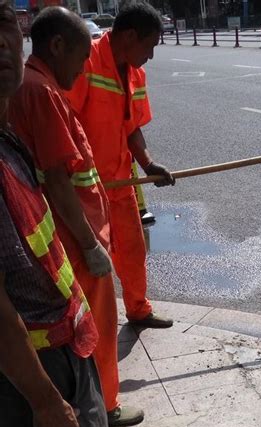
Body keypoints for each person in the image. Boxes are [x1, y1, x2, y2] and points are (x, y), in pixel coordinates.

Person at [0, 0, 176, 427]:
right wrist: (48, 397)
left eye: (7, 52)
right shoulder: (37, 102)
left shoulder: (14, 121)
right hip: (46, 357)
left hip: (46, 341)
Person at [9, 7, 143, 427]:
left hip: (71, 231)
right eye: (82, 56)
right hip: (75, 236)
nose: (86, 66)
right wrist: (89, 244)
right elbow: (60, 180)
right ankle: (104, 406)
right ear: (57, 46)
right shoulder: (42, 93)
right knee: (97, 323)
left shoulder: (35, 86)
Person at [68, 1, 175, 329]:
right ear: (129, 36)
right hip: (85, 186)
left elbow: (131, 127)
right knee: (89, 261)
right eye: (150, 46)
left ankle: (138, 309)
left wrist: (148, 163)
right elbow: (66, 121)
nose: (151, 56)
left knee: (132, 249)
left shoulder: (135, 72)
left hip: (119, 180)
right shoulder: (86, 63)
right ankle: (85, 326)